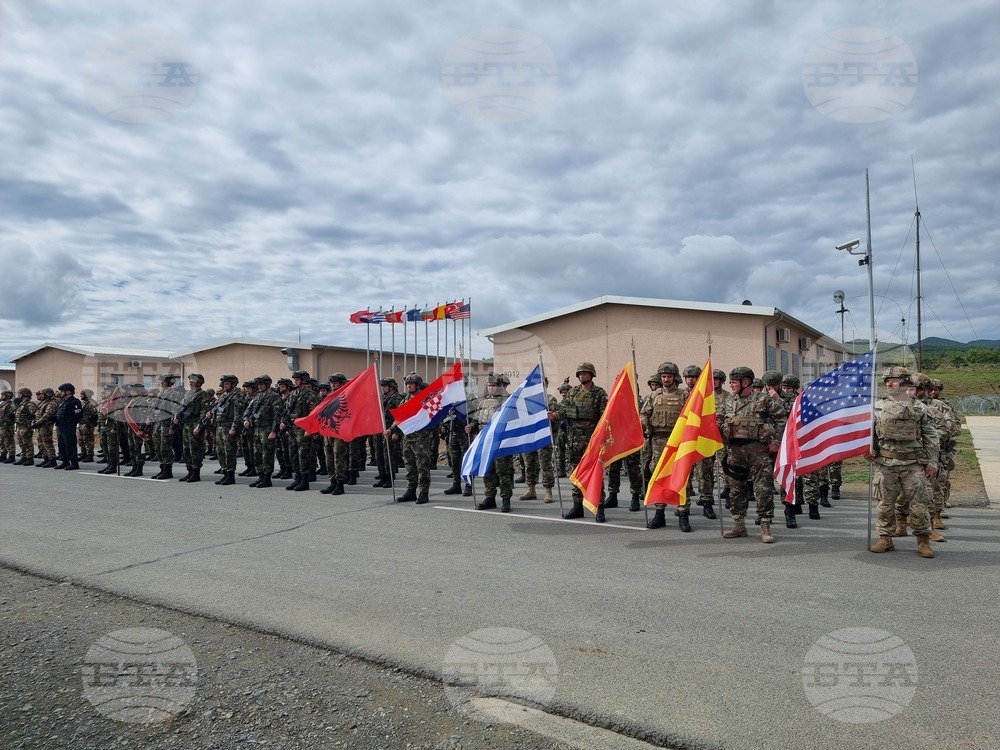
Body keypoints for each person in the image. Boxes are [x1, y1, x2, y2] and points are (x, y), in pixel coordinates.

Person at [867, 366, 939, 558]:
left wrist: (932, 462)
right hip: (886, 464)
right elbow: (869, 435)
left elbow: (931, 437)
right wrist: (867, 450)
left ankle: (923, 540)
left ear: (906, 383)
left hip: (912, 465)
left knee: (919, 505)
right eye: (887, 380)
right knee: (885, 505)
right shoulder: (878, 407)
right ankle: (885, 538)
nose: (889, 383)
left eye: (894, 380)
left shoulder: (919, 408)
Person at [718, 366, 787, 544]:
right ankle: (739, 525)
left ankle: (765, 526)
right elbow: (719, 420)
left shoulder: (763, 400)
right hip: (735, 452)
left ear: (745, 382)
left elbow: (782, 418)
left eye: (734, 381)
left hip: (758, 451)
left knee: (762, 489)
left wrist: (776, 442)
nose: (731, 384)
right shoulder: (728, 401)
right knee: (735, 490)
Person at [553, 362, 609, 522]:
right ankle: (577, 506)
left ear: (592, 375)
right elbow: (563, 409)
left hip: (592, 443)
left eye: (585, 373)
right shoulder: (572, 393)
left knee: (596, 475)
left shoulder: (599, 393)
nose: (582, 376)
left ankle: (599, 507)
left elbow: (604, 417)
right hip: (574, 441)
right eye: (580, 374)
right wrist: (554, 415)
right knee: (576, 474)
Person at [640, 361, 689, 529]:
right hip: (658, 440)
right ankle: (659, 514)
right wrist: (643, 424)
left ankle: (684, 514)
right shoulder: (654, 395)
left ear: (675, 377)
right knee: (659, 476)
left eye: (668, 376)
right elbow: (644, 414)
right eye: (663, 376)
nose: (666, 379)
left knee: (681, 477)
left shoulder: (684, 395)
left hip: (678, 442)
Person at [466, 373, 515, 512]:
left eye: (493, 385)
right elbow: (477, 419)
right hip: (484, 441)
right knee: (487, 470)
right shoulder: (482, 401)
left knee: (502, 471)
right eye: (489, 385)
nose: (491, 388)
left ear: (499, 386)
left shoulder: (507, 400)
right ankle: (490, 497)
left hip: (499, 440)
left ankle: (506, 499)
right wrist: (472, 426)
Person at [386, 373, 436, 504]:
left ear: (418, 385)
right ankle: (411, 491)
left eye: (411, 384)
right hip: (407, 438)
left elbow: (433, 417)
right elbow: (399, 418)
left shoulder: (425, 399)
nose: (408, 386)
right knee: (410, 466)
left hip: (421, 439)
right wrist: (391, 430)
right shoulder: (406, 400)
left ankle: (424, 492)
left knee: (422, 466)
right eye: (407, 384)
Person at [520, 378, 558, 504]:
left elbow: (555, 417)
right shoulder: (526, 401)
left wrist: (551, 415)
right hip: (529, 436)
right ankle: (531, 489)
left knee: (545, 463)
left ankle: (548, 490)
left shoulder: (550, 399)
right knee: (529, 463)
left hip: (543, 436)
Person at [281, 370, 320, 491]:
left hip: (303, 429)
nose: (295, 381)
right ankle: (297, 478)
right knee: (293, 454)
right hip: (292, 428)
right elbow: (287, 410)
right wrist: (284, 422)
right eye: (295, 379)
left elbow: (314, 414)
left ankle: (304, 480)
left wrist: (310, 429)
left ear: (304, 380)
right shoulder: (293, 394)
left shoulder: (310, 395)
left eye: (297, 379)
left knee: (303, 455)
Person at [173, 373, 213, 483]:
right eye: (190, 381)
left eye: (193, 381)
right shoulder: (188, 394)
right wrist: (176, 417)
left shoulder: (203, 395)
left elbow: (204, 413)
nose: (190, 382)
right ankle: (189, 471)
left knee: (195, 449)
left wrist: (199, 427)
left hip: (195, 424)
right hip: (186, 424)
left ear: (199, 382)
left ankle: (196, 473)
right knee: (186, 450)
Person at [206, 375, 245, 486]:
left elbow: (238, 414)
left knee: (229, 452)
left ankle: (230, 475)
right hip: (219, 426)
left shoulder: (237, 396)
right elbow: (217, 408)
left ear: (233, 384)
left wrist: (234, 427)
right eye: (224, 383)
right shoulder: (224, 395)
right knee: (221, 451)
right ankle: (224, 472)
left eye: (227, 383)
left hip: (228, 427)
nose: (224, 385)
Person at [247, 375, 282, 489]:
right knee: (256, 454)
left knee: (266, 454)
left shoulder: (274, 397)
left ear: (267, 385)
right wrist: (246, 419)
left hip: (267, 428)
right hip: (256, 428)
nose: (260, 386)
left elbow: (277, 416)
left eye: (262, 384)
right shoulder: (257, 397)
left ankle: (267, 478)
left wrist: (274, 431)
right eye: (259, 385)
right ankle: (260, 476)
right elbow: (248, 410)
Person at [320, 373, 351, 496]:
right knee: (329, 457)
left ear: (342, 383)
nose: (333, 385)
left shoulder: (346, 396)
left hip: (339, 431)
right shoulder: (329, 397)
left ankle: (340, 483)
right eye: (332, 383)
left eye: (336, 383)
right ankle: (332, 480)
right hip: (328, 430)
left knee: (339, 457)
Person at [373, 378, 404, 488]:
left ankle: (389, 477)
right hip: (380, 429)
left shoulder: (396, 399)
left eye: (385, 386)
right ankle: (382, 475)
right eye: (382, 386)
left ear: (391, 387)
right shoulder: (383, 398)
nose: (383, 388)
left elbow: (400, 416)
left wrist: (397, 432)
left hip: (391, 430)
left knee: (388, 455)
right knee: (379, 454)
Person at [54, 383, 83, 470]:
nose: (61, 393)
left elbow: (78, 415)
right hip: (61, 426)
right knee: (61, 445)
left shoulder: (74, 402)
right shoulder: (63, 401)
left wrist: (71, 423)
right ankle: (65, 461)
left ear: (69, 392)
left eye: (62, 391)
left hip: (69, 427)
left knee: (70, 445)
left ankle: (74, 463)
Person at [32, 388, 59, 468]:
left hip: (46, 425)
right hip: (40, 425)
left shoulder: (51, 403)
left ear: (48, 395)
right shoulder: (43, 403)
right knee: (41, 443)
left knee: (47, 443)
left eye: (43, 394)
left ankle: (52, 459)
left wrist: (38, 422)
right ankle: (46, 458)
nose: (41, 396)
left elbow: (47, 414)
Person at [13, 388, 36, 465]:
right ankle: (23, 457)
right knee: (21, 443)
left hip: (25, 426)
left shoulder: (29, 404)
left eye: (20, 393)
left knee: (27, 443)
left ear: (24, 394)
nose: (18, 395)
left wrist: (29, 419)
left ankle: (29, 458)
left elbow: (33, 413)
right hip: (20, 426)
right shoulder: (21, 403)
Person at [77, 389, 99, 463]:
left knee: (88, 440)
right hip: (81, 423)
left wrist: (92, 421)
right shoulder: (84, 402)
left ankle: (90, 455)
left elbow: (96, 413)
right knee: (81, 440)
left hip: (88, 424)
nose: (81, 396)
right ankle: (83, 453)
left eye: (82, 394)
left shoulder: (92, 403)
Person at [0, 389, 15, 463]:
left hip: (7, 426)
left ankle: (11, 456)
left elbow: (14, 414)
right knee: (2, 441)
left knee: (8, 441)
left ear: (8, 396)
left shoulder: (11, 404)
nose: (1, 396)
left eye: (3, 395)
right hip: (2, 425)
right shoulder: (2, 404)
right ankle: (3, 454)